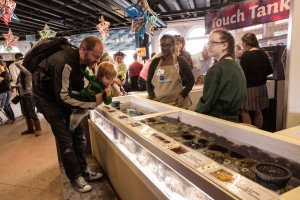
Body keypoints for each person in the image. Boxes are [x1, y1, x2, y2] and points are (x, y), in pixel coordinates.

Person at [32, 36, 104, 193]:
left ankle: (84, 172)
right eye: (96, 56)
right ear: (83, 49)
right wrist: (92, 101)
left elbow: (72, 91)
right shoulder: (64, 62)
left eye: (99, 57)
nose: (97, 61)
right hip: (47, 100)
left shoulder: (81, 62)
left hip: (59, 96)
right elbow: (64, 97)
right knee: (65, 140)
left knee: (79, 135)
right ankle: (75, 177)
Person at [195, 29, 246, 123]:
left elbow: (206, 103)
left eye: (212, 43)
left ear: (225, 45)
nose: (208, 46)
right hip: (234, 121)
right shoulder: (237, 66)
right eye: (208, 43)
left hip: (217, 122)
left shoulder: (216, 70)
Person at [147, 34, 195, 109]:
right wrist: (152, 96)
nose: (164, 48)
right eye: (162, 45)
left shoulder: (180, 61)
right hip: (160, 104)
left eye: (168, 45)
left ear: (173, 46)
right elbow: (148, 82)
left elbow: (191, 80)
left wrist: (183, 95)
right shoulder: (155, 62)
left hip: (178, 104)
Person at [69, 61, 117, 131]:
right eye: (107, 78)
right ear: (100, 75)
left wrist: (108, 95)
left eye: (112, 79)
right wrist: (82, 67)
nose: (110, 81)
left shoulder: (107, 89)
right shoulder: (94, 78)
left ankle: (70, 130)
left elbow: (108, 102)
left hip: (87, 106)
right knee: (69, 97)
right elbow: (87, 74)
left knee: (75, 119)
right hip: (80, 96)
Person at [240, 32, 273, 129]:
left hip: (249, 88)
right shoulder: (263, 54)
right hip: (262, 87)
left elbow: (242, 74)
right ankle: (258, 132)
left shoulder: (246, 55)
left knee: (244, 111)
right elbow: (269, 70)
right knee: (257, 111)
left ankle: (249, 135)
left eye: (242, 43)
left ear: (245, 42)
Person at [15, 60, 42, 136]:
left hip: (29, 95)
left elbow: (16, 64)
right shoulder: (21, 75)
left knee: (32, 112)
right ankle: (30, 129)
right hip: (23, 96)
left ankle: (38, 129)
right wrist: (16, 86)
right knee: (26, 113)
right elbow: (22, 85)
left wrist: (25, 59)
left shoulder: (28, 73)